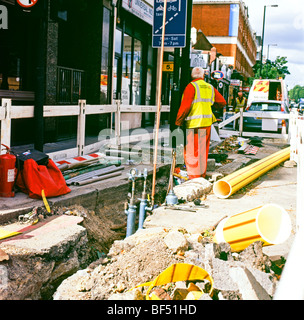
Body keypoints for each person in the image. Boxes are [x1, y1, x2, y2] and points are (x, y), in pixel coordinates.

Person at [175, 67, 226, 179]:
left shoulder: (191, 87)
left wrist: (178, 122)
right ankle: (201, 175)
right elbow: (222, 102)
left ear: (192, 75)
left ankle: (194, 178)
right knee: (202, 152)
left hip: (194, 125)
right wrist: (211, 108)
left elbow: (185, 107)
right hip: (207, 124)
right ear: (203, 76)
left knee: (192, 152)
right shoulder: (210, 87)